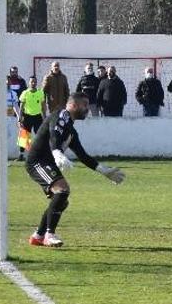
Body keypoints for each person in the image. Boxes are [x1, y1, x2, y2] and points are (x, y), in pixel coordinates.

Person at [25, 93, 125, 247]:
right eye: (84, 105)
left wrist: (104, 171)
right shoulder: (61, 115)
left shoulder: (71, 130)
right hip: (37, 162)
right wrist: (57, 152)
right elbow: (54, 133)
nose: (87, 109)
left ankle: (38, 236)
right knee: (62, 190)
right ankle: (49, 235)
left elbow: (83, 155)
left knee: (61, 201)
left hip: (48, 163)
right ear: (73, 105)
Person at [16, 75, 44, 160]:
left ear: (36, 82)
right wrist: (20, 117)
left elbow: (43, 105)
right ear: (29, 83)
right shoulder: (25, 93)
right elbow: (21, 105)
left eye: (34, 81)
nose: (33, 83)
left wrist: (45, 116)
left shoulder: (40, 92)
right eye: (31, 81)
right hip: (27, 117)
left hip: (38, 117)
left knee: (39, 136)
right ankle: (21, 155)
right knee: (24, 136)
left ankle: (40, 154)